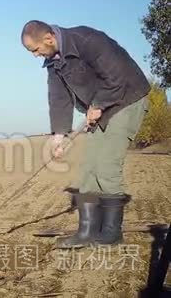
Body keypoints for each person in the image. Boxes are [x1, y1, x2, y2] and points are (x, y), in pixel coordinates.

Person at [21, 20, 150, 248]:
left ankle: (111, 233)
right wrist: (59, 136)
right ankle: (87, 231)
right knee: (89, 168)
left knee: (107, 164)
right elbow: (58, 98)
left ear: (49, 38)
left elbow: (117, 78)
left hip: (127, 100)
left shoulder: (88, 40)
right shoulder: (53, 61)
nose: (35, 55)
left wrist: (98, 104)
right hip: (100, 106)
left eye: (35, 50)